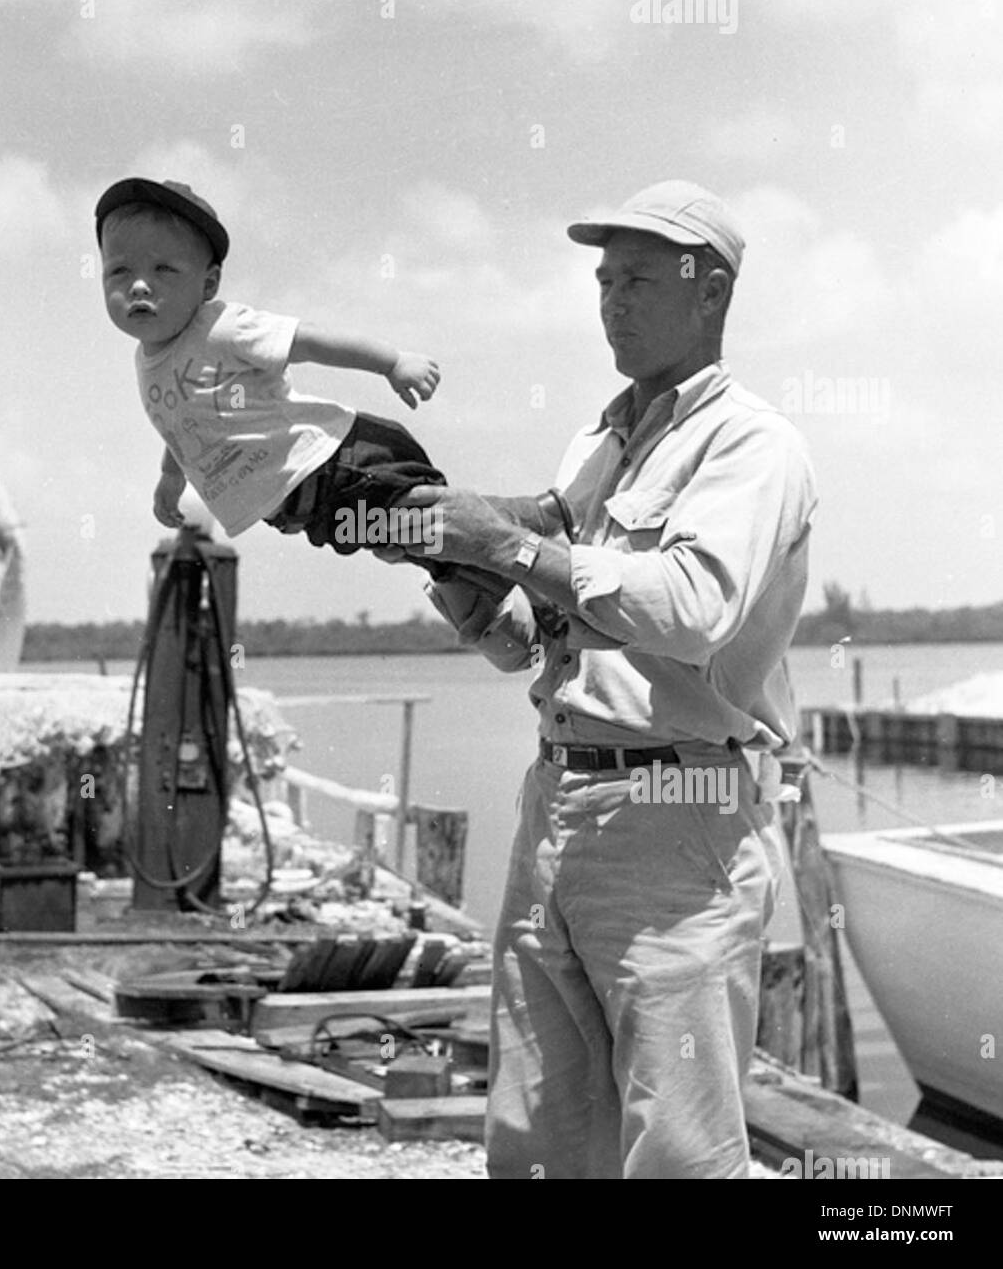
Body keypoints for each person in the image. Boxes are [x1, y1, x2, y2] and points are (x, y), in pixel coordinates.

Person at [399, 180, 817, 1179]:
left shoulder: (751, 445)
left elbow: (684, 609)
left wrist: (501, 538)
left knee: (675, 1150)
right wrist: (453, 569)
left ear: (708, 292)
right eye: (602, 279)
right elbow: (527, 641)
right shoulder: (595, 443)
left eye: (635, 278)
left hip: (678, 813)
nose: (610, 300)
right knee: (535, 1140)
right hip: (556, 805)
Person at [95, 177, 554, 584]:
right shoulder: (148, 362)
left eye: (163, 270)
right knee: (428, 546)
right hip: (311, 509)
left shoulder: (221, 328)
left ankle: (545, 561)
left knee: (435, 529)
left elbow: (311, 341)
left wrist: (392, 363)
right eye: (120, 270)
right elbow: (183, 427)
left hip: (341, 462)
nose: (138, 285)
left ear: (209, 284)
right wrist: (168, 480)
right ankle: (535, 542)